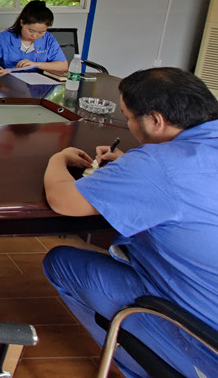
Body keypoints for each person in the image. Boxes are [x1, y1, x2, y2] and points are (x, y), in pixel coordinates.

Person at [42, 67, 218, 378]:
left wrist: (57, 159)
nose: (129, 124)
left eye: (128, 117)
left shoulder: (157, 165)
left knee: (61, 263)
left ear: (155, 120)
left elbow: (63, 200)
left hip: (205, 339)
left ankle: (149, 361)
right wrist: (130, 168)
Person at [0, 0, 67, 76]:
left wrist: (35, 64)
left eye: (41, 32)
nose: (35, 36)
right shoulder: (2, 38)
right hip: (10, 82)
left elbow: (63, 66)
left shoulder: (48, 39)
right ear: (22, 23)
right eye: (31, 31)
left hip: (40, 85)